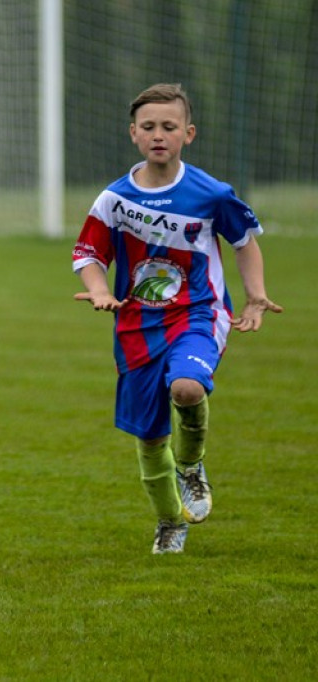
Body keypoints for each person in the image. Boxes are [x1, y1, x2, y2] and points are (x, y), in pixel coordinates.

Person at [71, 83, 281, 554]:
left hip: (198, 314)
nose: (158, 135)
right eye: (148, 127)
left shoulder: (212, 194)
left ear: (188, 133)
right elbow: (88, 252)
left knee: (187, 387)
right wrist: (100, 290)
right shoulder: (114, 200)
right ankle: (170, 521)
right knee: (148, 437)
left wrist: (255, 297)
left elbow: (245, 242)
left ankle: (191, 466)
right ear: (133, 134)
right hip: (137, 326)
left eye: (169, 126)